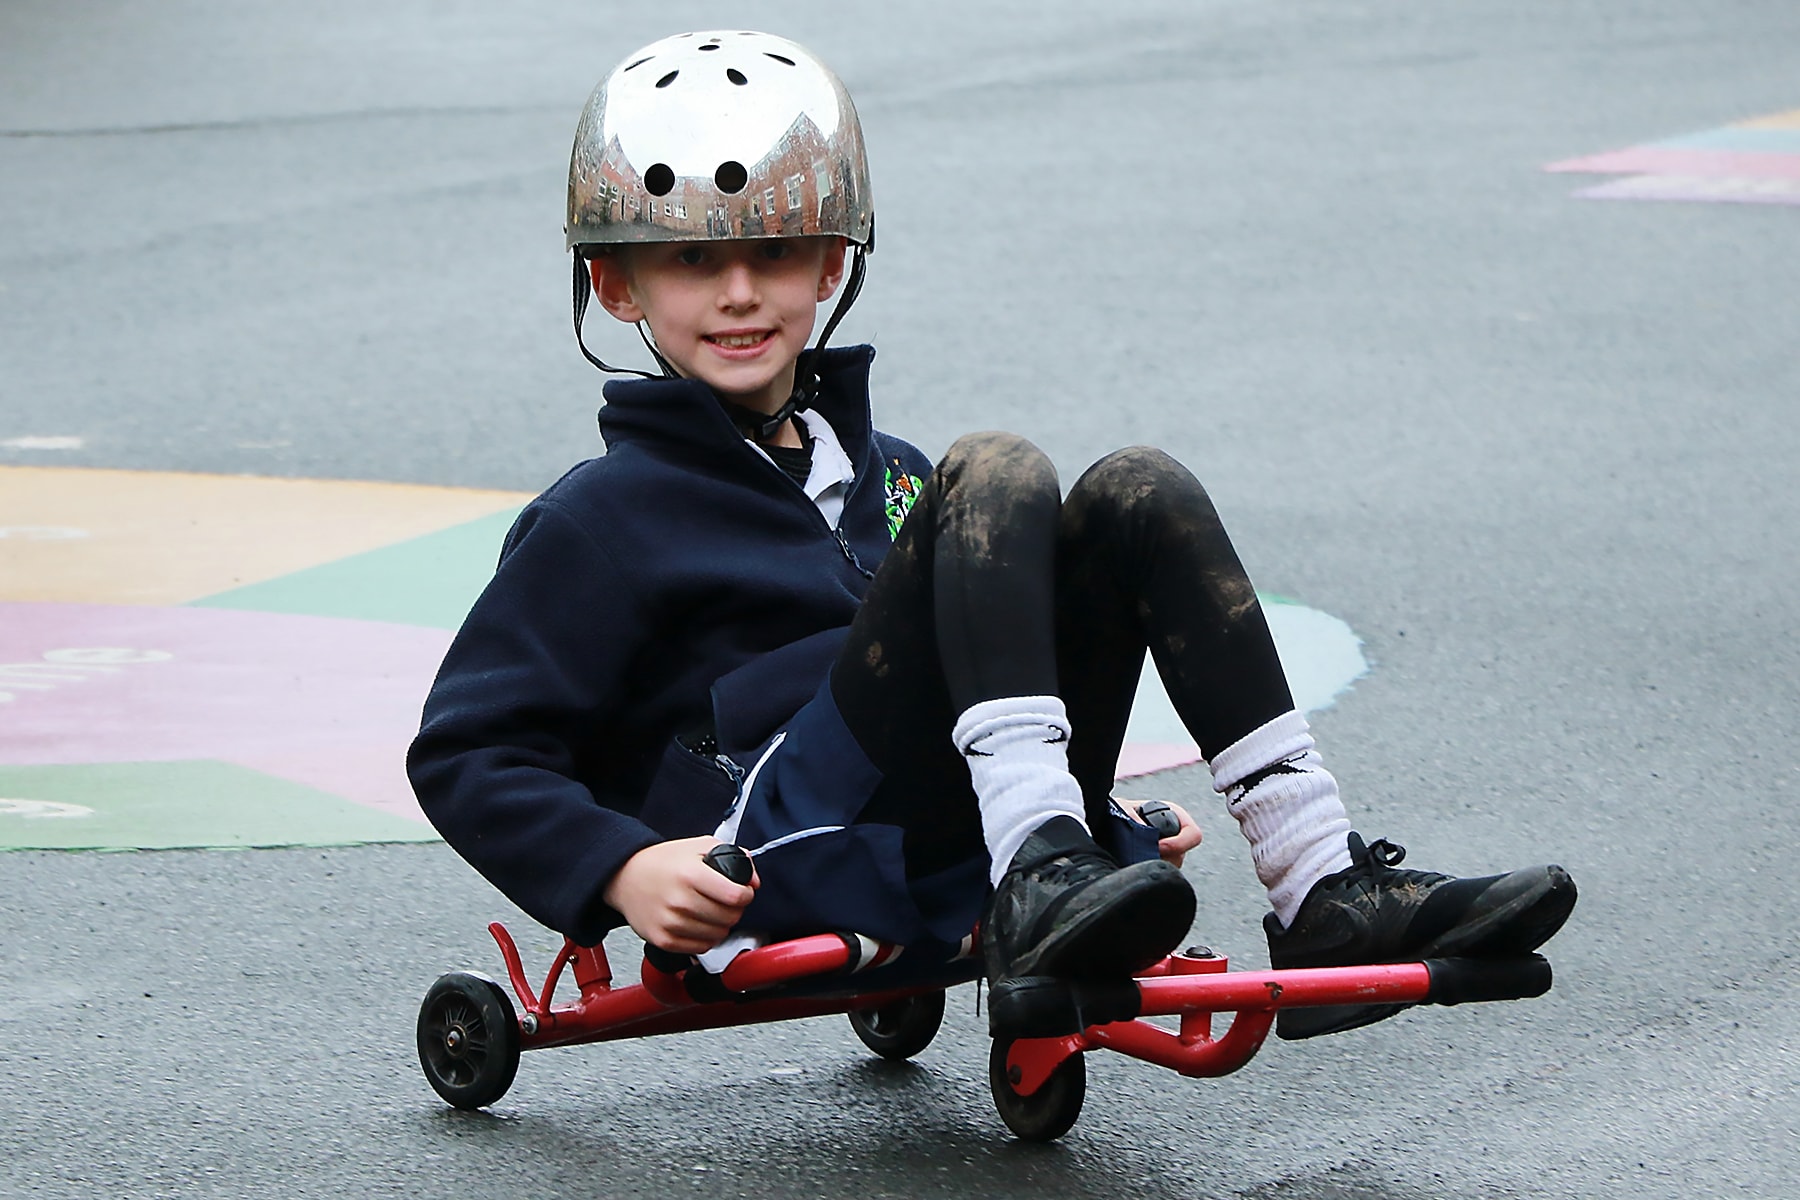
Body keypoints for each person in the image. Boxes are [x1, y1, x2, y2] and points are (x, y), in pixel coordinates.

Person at [408, 30, 1576, 1042]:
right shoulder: (602, 518)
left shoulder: (895, 479)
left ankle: (1313, 874)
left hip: (938, 824)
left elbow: (966, 695)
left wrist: (1108, 818)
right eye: (692, 260)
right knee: (1002, 472)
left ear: (831, 262)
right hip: (776, 850)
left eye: (773, 252)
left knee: (1136, 490)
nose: (738, 293)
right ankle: (1040, 867)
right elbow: (469, 752)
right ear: (618, 287)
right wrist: (620, 868)